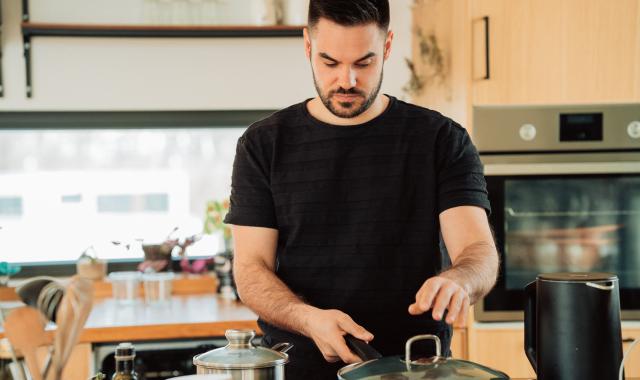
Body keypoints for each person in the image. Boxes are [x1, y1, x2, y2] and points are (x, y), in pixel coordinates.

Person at [223, 0, 499, 378]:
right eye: (330, 63)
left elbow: (478, 252)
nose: (347, 81)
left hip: (414, 367)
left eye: (364, 63)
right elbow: (251, 269)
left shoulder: (441, 140)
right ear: (307, 46)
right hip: (299, 367)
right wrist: (308, 319)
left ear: (387, 48)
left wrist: (459, 280)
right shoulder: (262, 145)